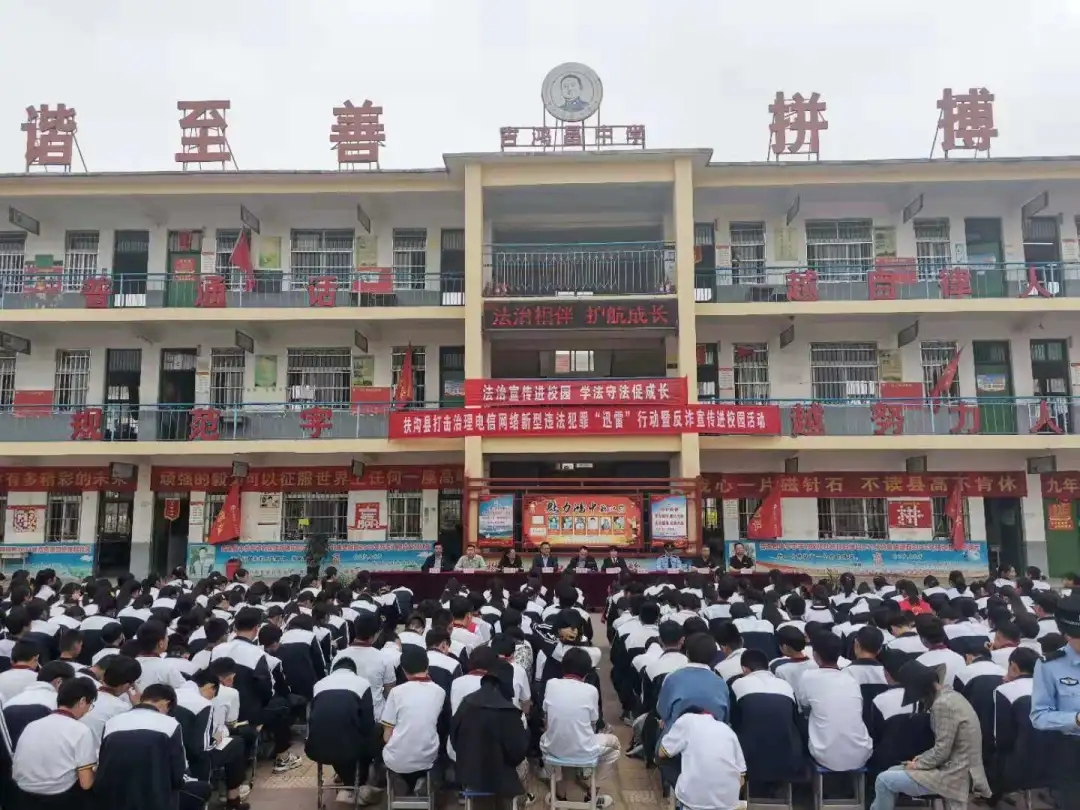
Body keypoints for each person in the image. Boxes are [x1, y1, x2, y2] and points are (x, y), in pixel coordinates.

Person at [869, 660, 991, 810]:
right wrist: (920, 760)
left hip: (954, 774)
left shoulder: (942, 705)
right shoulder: (952, 696)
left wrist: (917, 764)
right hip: (960, 768)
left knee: (883, 780)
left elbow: (942, 751)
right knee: (891, 772)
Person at [540, 647, 620, 809]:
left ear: (563, 667)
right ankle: (592, 794)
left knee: (545, 740)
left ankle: (559, 793)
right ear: (587, 672)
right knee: (615, 746)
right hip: (585, 750)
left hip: (554, 748)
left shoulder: (551, 684)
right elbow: (592, 724)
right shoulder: (591, 690)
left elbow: (547, 718)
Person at [95, 683, 193, 810]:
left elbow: (102, 760)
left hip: (114, 796)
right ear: (166, 703)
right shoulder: (170, 724)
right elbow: (177, 770)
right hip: (154, 797)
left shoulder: (113, 722)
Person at [450, 660, 530, 806]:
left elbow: (455, 739)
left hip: (469, 774)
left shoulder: (466, 702)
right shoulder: (508, 711)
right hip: (501, 780)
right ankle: (522, 802)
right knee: (524, 765)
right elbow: (518, 753)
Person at [11, 677, 98, 809]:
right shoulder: (81, 730)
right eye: (89, 705)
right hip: (58, 797)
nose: (87, 711)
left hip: (22, 795)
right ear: (82, 701)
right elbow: (86, 783)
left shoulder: (32, 725)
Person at [306, 658, 380, 806]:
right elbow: (368, 724)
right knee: (373, 734)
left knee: (337, 735)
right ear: (354, 671)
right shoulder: (362, 684)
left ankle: (347, 779)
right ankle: (358, 784)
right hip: (349, 749)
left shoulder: (319, 685)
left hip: (315, 749)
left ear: (334, 670)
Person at [1030, 593, 1080, 805]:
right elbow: (1039, 716)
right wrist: (1076, 719)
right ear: (1066, 634)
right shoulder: (1050, 666)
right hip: (1072, 751)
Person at [797, 632, 873, 772]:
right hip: (862, 753)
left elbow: (803, 705)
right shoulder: (850, 678)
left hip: (825, 756)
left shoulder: (808, 677)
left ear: (815, 655)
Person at [381, 646, 447, 795]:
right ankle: (423, 783)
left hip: (397, 760)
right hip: (427, 758)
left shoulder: (396, 692)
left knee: (389, 751)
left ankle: (401, 783)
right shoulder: (440, 692)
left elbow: (387, 735)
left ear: (404, 670)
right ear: (427, 666)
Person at [659, 703, 747, 810]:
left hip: (695, 802)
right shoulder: (727, 730)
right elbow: (742, 778)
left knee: (665, 761)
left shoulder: (686, 720)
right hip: (729, 803)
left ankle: (678, 802)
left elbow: (661, 753)